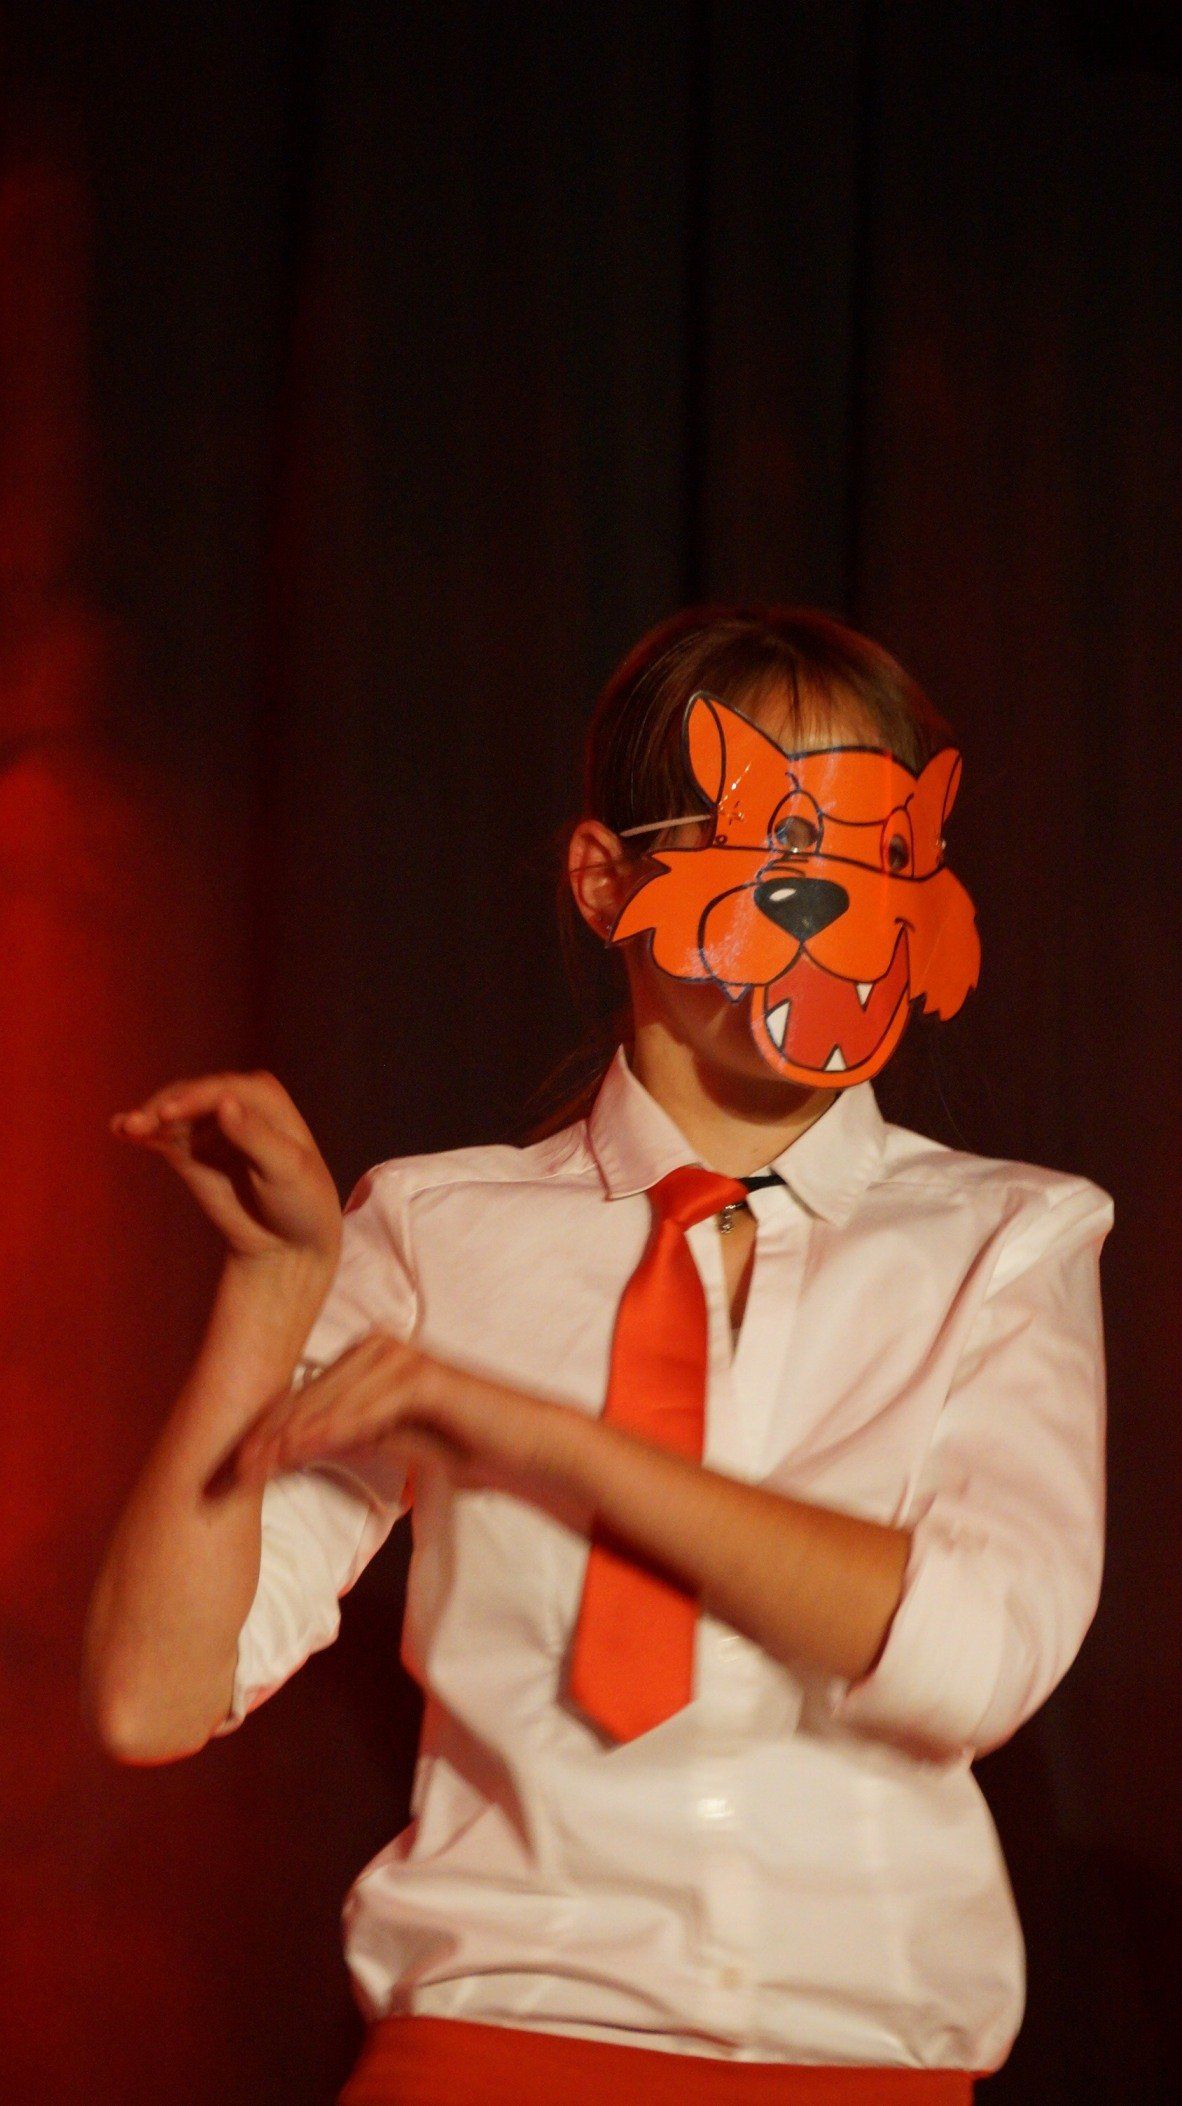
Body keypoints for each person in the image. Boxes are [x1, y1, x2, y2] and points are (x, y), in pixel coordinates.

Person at [83, 606, 1114, 2105]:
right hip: (485, 2054)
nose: (829, 892)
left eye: (878, 846)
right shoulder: (434, 1228)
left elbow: (970, 1661)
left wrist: (538, 1434)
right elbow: (151, 1697)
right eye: (776, 836)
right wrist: (273, 1284)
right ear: (604, 878)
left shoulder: (1007, 1239)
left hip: (853, 2069)